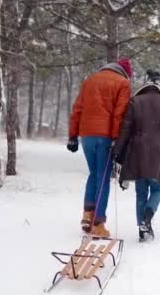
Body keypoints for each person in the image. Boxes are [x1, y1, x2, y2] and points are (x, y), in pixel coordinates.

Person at [66, 58, 132, 237]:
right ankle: (98, 223)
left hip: (86, 135)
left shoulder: (90, 80)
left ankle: (88, 214)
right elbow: (119, 114)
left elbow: (77, 109)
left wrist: (73, 135)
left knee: (94, 173)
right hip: (105, 137)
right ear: (125, 73)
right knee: (103, 176)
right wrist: (116, 138)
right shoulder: (123, 83)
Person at [113, 70, 160, 242]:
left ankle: (142, 229)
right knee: (157, 188)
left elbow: (125, 129)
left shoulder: (135, 101)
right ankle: (147, 218)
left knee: (141, 192)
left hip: (138, 151)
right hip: (158, 152)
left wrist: (117, 153)